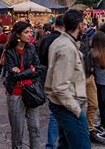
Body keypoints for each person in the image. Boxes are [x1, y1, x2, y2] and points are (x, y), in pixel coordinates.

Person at [45, 10, 90, 149]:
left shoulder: (63, 43)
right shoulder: (66, 47)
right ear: (78, 25)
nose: (85, 27)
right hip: (68, 105)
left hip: (65, 104)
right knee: (82, 145)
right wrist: (77, 110)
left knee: (65, 144)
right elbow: (59, 86)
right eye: (83, 24)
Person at [4, 21, 42, 149]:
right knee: (17, 132)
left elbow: (38, 70)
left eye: (30, 31)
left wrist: (23, 72)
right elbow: (13, 75)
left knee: (35, 128)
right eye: (26, 32)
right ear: (18, 35)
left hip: (32, 91)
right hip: (16, 94)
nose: (30, 34)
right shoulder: (9, 51)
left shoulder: (31, 48)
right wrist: (29, 70)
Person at [38, 15, 64, 149]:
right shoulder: (62, 40)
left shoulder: (45, 38)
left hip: (44, 69)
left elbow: (39, 53)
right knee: (56, 112)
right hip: (56, 73)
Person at [79, 23, 99, 144]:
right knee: (79, 107)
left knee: (93, 104)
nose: (85, 26)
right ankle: (81, 131)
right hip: (78, 78)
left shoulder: (86, 38)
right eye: (83, 24)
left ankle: (90, 129)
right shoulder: (71, 41)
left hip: (89, 76)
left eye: (86, 24)